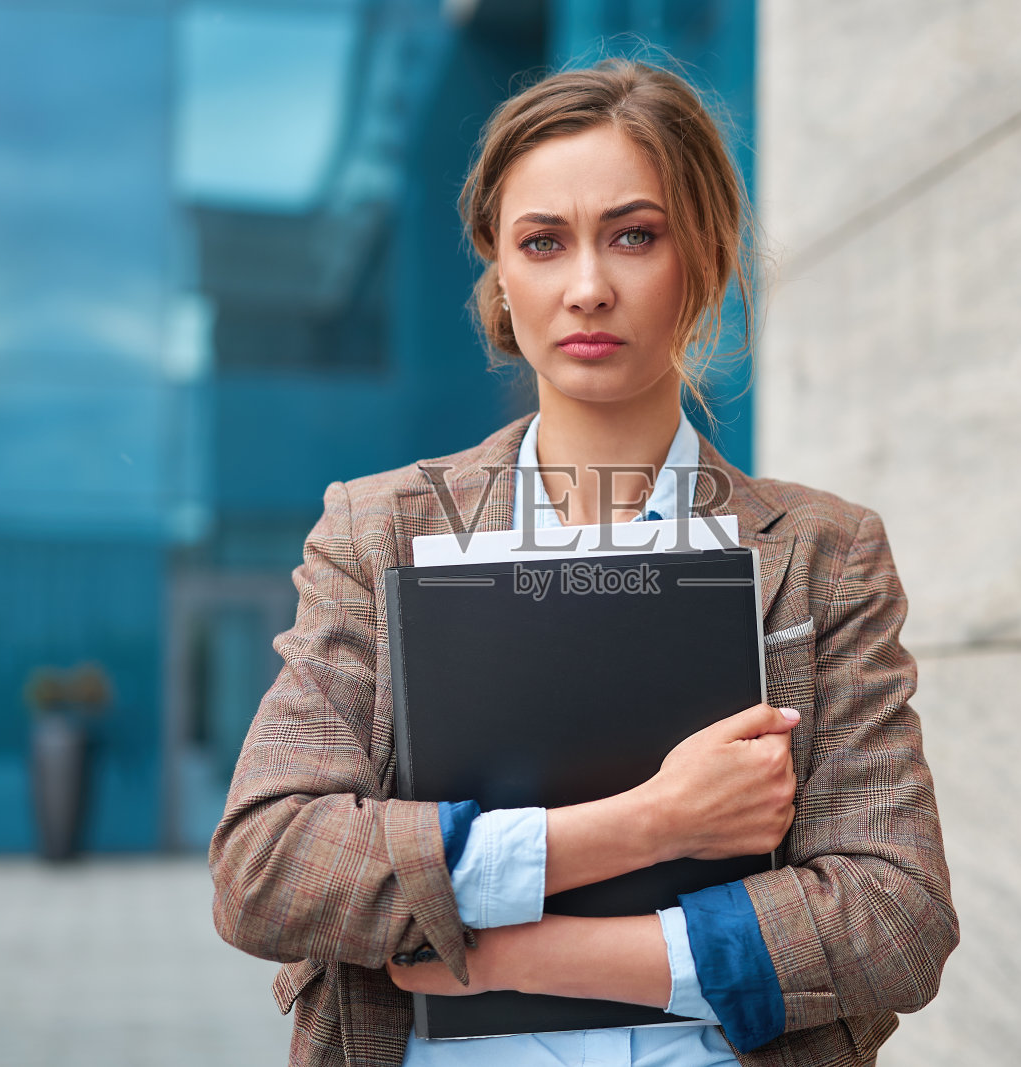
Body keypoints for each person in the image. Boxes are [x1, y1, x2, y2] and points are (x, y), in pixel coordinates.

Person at [209, 57, 959, 1067]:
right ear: (499, 272)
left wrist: (538, 954)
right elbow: (267, 865)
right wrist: (646, 823)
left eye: (634, 235)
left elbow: (897, 917)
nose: (589, 286)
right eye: (543, 243)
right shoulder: (377, 529)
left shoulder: (824, 553)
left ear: (703, 257)